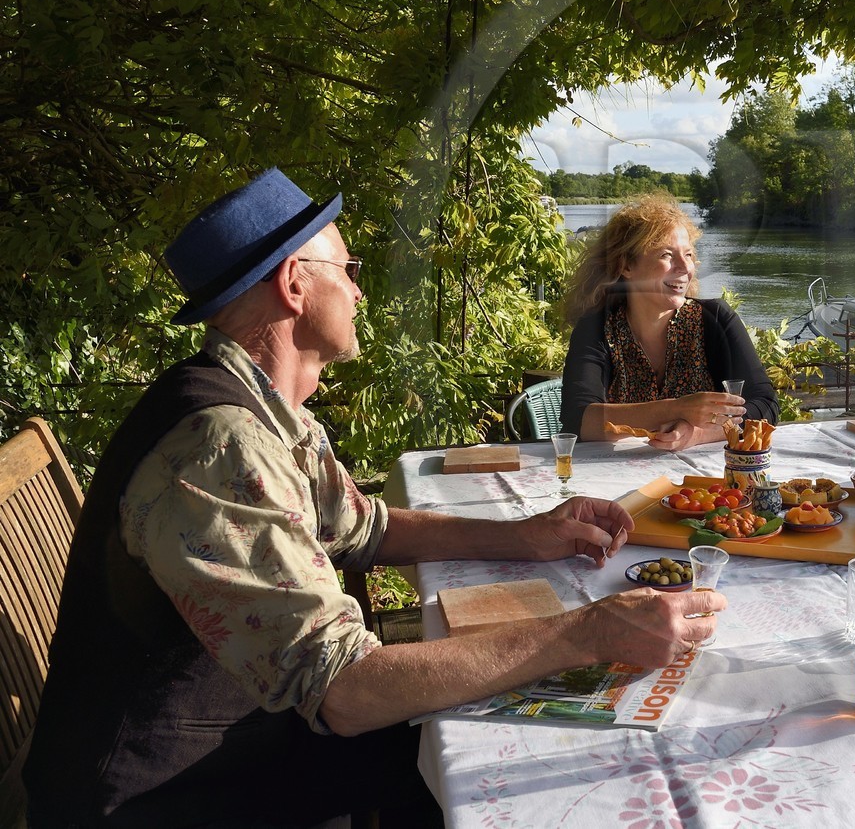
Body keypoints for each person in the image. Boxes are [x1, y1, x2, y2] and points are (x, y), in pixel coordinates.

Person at [24, 169, 724, 828]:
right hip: (164, 794)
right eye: (349, 271)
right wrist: (590, 632)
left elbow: (365, 528)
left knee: (482, 745)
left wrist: (524, 533)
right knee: (499, 763)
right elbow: (347, 691)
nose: (360, 292)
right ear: (295, 284)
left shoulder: (265, 409)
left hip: (241, 734)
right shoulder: (219, 446)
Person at [560, 193, 778, 448]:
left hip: (705, 483)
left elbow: (765, 406)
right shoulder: (596, 328)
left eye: (687, 254)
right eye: (666, 255)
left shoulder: (716, 319)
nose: (685, 268)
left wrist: (696, 433)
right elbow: (579, 420)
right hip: (619, 476)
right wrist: (676, 409)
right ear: (626, 266)